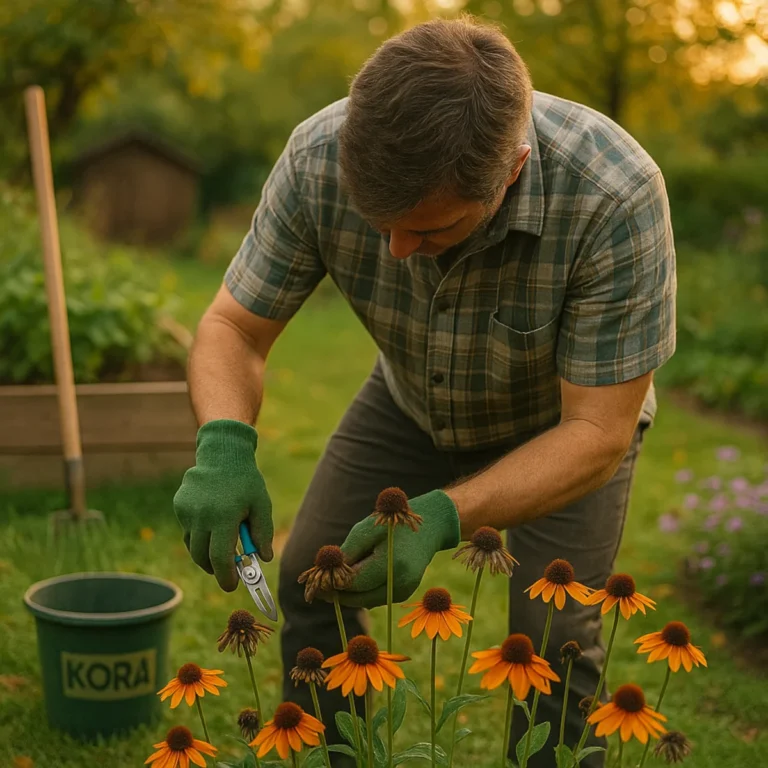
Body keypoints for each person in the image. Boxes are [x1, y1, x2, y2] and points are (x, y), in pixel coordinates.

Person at [172, 15, 676, 767]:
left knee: (554, 640)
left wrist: (445, 515)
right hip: (409, 400)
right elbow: (233, 328)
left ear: (510, 171)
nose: (395, 250)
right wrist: (222, 445)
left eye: (428, 232)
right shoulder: (317, 156)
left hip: (562, 428)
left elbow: (599, 431)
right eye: (378, 222)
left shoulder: (616, 195)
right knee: (314, 580)